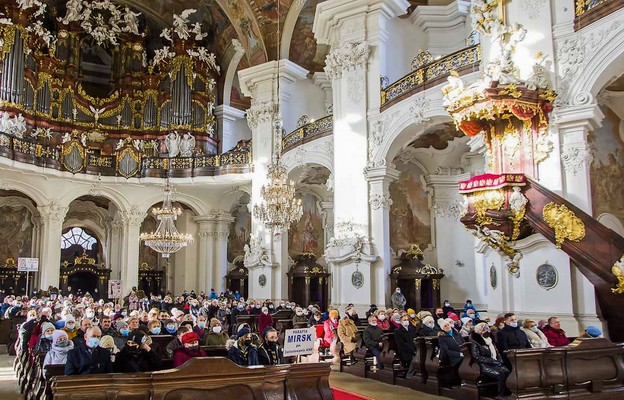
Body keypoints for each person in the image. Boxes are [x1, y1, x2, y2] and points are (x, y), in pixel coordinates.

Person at [469, 322, 510, 396]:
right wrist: (493, 361)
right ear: (480, 332)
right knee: (501, 374)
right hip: (485, 366)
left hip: (496, 364)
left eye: (488, 329)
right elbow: (477, 357)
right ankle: (501, 394)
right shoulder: (476, 342)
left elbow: (497, 353)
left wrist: (500, 361)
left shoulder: (491, 341)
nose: (487, 331)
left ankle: (507, 393)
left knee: (508, 372)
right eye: (484, 330)